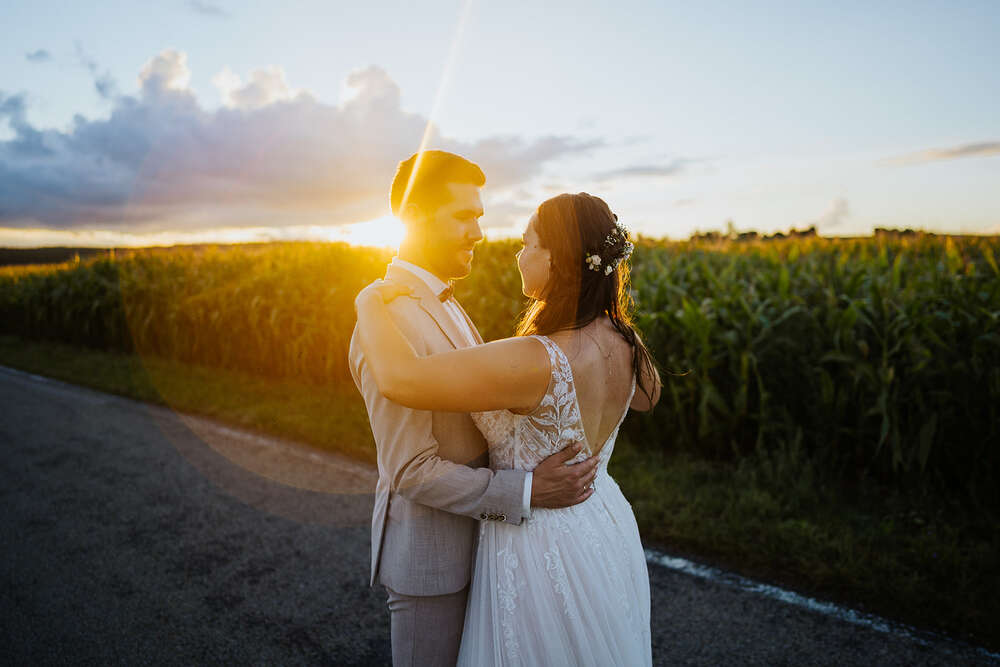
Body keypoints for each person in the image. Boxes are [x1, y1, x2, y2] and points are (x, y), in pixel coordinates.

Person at [355, 189, 662, 666]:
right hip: (602, 523)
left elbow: (400, 379)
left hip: (540, 542)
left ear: (555, 258)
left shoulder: (534, 357)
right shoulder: (625, 340)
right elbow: (648, 397)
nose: (518, 255)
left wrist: (368, 305)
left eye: (526, 244)